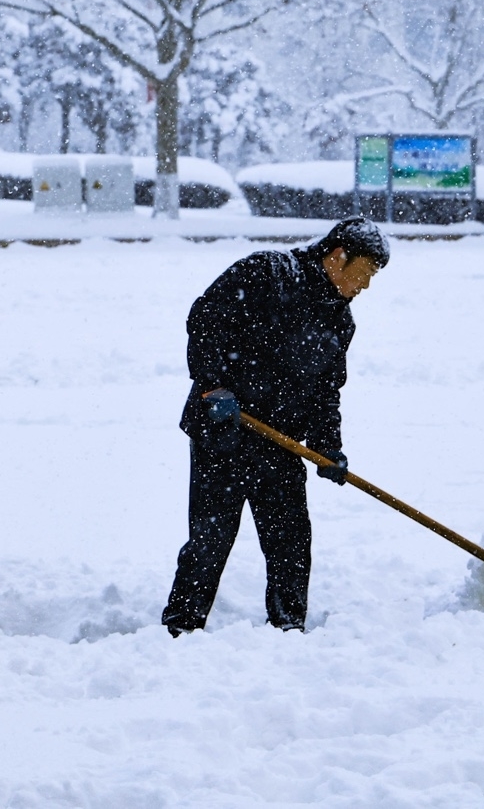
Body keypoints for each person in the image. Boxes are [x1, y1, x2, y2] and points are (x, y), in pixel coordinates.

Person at [162, 217, 389, 635]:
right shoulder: (268, 272)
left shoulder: (339, 321)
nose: (366, 285)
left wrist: (327, 446)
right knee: (211, 540)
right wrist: (213, 385)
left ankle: (288, 630)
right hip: (223, 433)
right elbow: (206, 319)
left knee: (291, 541)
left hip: (279, 443)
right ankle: (181, 627)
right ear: (338, 256)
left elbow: (326, 392)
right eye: (365, 272)